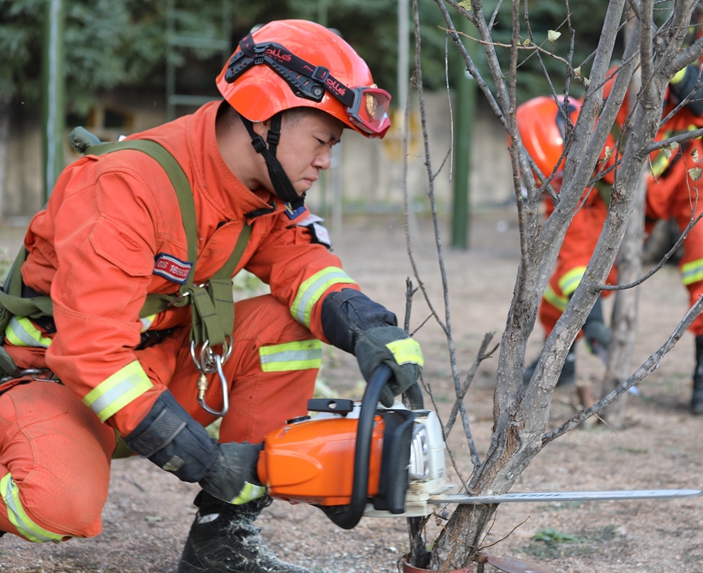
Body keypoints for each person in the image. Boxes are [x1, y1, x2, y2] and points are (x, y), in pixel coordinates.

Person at [0, 19, 422, 573]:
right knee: (57, 505)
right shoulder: (127, 186)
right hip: (54, 378)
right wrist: (198, 455)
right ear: (264, 116)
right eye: (321, 140)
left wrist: (369, 327)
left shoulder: (265, 192)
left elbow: (303, 265)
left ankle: (221, 539)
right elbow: (91, 353)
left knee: (284, 328)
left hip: (153, 368)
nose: (326, 161)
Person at [604, 53, 703, 416]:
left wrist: (679, 73)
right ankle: (562, 355)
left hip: (698, 166)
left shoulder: (685, 70)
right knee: (591, 262)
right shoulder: (610, 91)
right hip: (636, 183)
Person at [516, 95, 614, 389]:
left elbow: (581, 252)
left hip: (685, 186)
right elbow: (574, 252)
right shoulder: (578, 181)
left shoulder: (607, 163)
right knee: (559, 291)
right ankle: (562, 358)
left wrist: (592, 317)